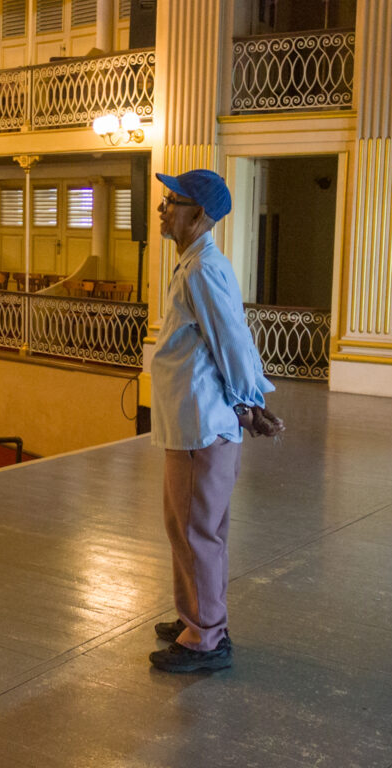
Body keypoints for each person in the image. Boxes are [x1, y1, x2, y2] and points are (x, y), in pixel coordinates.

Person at [147, 169, 283, 674]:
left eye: (172, 202)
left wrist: (249, 401)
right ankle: (199, 616)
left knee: (193, 530)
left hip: (200, 424)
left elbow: (231, 341)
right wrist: (249, 404)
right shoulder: (198, 262)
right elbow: (232, 337)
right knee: (195, 528)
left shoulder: (202, 268)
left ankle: (204, 636)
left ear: (199, 214)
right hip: (196, 421)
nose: (163, 209)